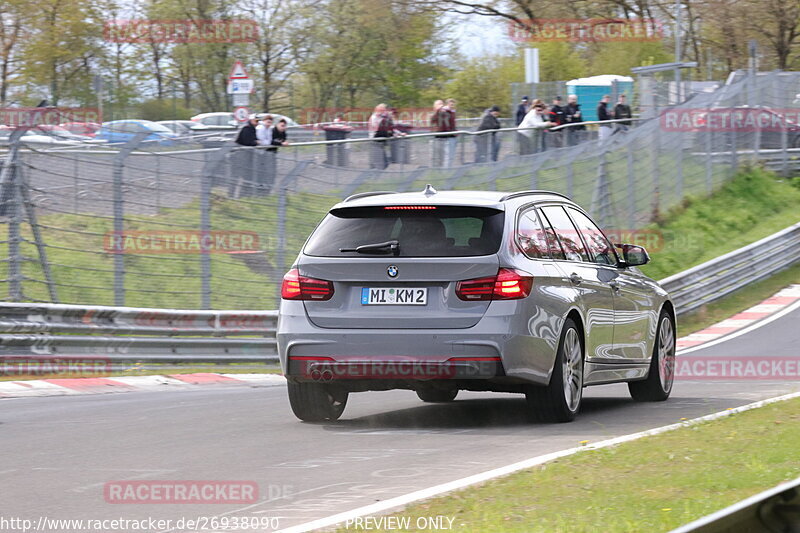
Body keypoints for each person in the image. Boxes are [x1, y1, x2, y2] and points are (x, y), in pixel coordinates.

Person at [231, 114, 260, 197]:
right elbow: (247, 142)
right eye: (256, 120)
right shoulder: (246, 128)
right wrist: (256, 142)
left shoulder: (252, 129)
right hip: (239, 156)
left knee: (247, 177)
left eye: (258, 121)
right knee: (235, 177)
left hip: (246, 156)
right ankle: (231, 196)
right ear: (251, 120)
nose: (257, 122)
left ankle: (243, 195)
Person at [368, 103, 394, 169]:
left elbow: (390, 128)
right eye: (382, 110)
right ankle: (374, 175)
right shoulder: (374, 117)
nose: (384, 112)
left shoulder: (384, 118)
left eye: (384, 110)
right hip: (375, 140)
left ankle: (377, 173)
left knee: (385, 163)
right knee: (378, 163)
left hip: (381, 141)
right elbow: (376, 127)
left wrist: (398, 133)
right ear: (377, 110)